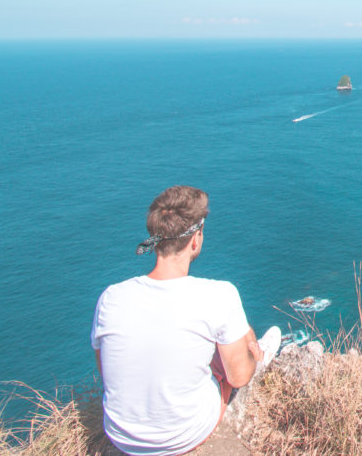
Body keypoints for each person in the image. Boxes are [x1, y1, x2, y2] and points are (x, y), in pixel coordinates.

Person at [91, 185, 280, 456]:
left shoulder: (111, 297)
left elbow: (106, 371)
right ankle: (263, 352)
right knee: (231, 364)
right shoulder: (218, 294)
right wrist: (249, 354)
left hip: (121, 435)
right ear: (196, 239)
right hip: (182, 435)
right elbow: (239, 378)